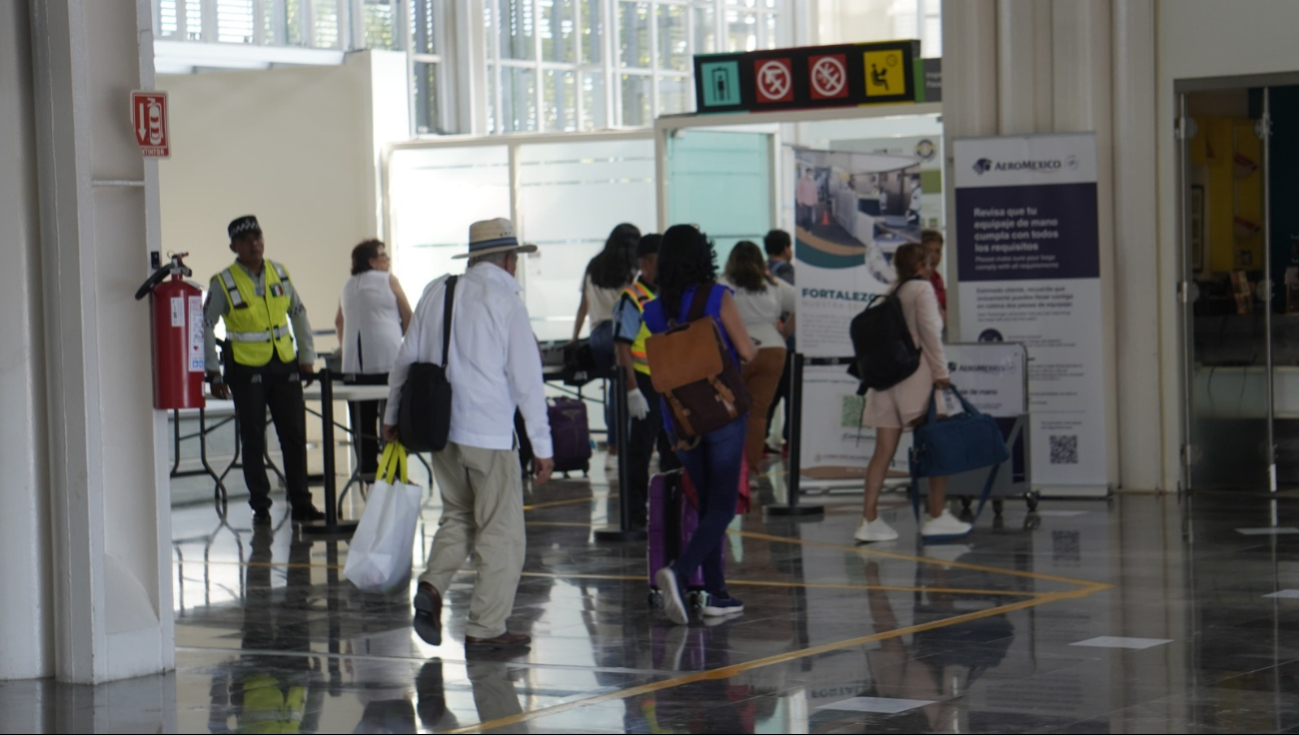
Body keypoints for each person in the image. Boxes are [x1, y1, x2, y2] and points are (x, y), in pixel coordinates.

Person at [384, 218, 554, 651]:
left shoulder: (440, 290)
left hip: (443, 430)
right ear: (509, 260)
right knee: (501, 530)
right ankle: (485, 628)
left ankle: (433, 586)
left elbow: (407, 358)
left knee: (458, 515)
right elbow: (526, 380)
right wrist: (543, 445)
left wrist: (391, 416)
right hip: (490, 434)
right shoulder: (507, 301)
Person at [643, 224, 758, 625]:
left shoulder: (654, 309)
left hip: (680, 419)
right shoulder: (717, 296)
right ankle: (678, 572)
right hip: (721, 412)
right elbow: (745, 350)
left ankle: (717, 594)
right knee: (723, 506)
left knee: (708, 503)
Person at [205, 215, 325, 524]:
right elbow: (204, 326)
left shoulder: (279, 272)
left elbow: (297, 313)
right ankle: (261, 504)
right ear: (234, 246)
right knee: (254, 438)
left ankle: (302, 503)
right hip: (246, 369)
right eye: (246, 240)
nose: (255, 244)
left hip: (284, 363)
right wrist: (213, 373)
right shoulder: (224, 281)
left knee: (294, 436)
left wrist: (306, 356)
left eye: (258, 237)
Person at [855, 243, 970, 542]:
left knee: (882, 451)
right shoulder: (922, 289)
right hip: (916, 380)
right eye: (929, 263)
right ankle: (935, 514)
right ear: (922, 265)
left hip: (886, 381)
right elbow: (931, 333)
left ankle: (869, 519)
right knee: (937, 443)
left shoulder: (892, 291)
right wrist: (942, 374)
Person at [612, 234, 681, 531]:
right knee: (639, 452)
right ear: (642, 263)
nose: (656, 266)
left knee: (672, 449)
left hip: (670, 381)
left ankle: (671, 511)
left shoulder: (670, 293)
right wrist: (632, 389)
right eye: (650, 261)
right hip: (642, 381)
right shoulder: (632, 297)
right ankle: (635, 514)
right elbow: (622, 346)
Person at [335, 239, 413, 480]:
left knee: (362, 422)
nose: (387, 259)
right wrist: (406, 345)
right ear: (371, 261)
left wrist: (346, 347)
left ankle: (368, 470)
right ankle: (397, 472)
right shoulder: (388, 280)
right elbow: (408, 314)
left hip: (354, 368)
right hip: (388, 361)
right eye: (383, 255)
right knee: (395, 417)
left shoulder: (347, 286)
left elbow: (339, 322)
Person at [722, 241, 797, 478]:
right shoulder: (773, 285)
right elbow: (801, 303)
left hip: (735, 351)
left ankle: (729, 472)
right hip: (773, 350)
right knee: (758, 413)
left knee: (728, 412)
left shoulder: (722, 284)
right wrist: (785, 331)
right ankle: (751, 473)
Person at [572, 223, 641, 458]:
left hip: (598, 336)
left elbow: (583, 306)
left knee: (615, 387)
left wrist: (573, 339)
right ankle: (620, 446)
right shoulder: (631, 270)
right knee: (626, 388)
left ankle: (614, 447)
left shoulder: (594, 265)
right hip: (621, 335)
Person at [763, 229, 795, 454]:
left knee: (769, 394)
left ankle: (760, 438)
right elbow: (790, 304)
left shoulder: (760, 271)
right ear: (786, 248)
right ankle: (790, 440)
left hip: (764, 345)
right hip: (786, 343)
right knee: (790, 393)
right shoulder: (785, 271)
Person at [921, 228, 947, 319]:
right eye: (929, 250)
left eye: (937, 251)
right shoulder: (919, 279)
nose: (933, 256)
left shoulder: (937, 277)